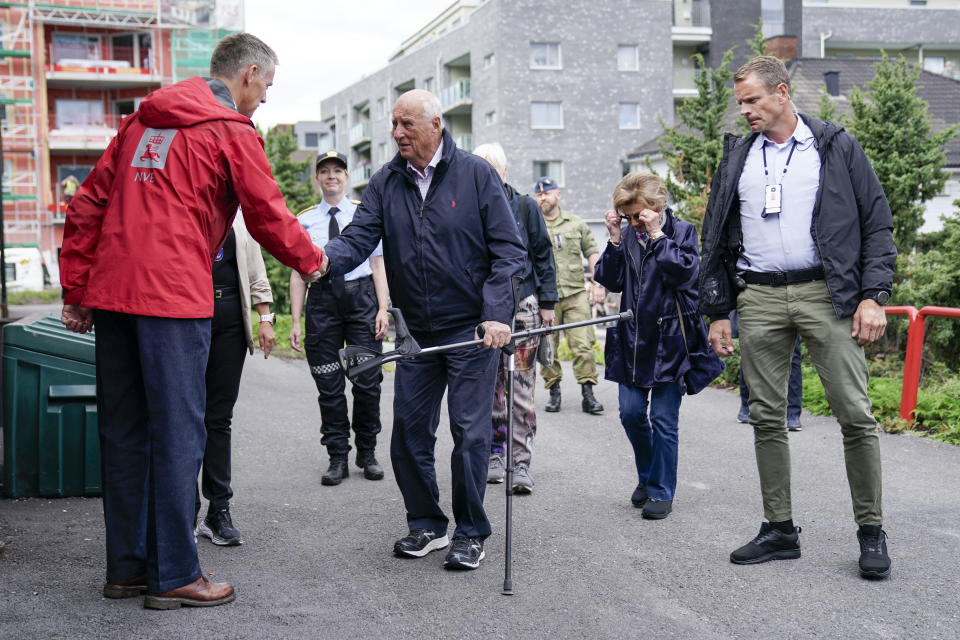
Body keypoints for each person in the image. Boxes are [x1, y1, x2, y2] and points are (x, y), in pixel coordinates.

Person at [59, 33, 325, 609]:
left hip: (113, 296)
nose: (264, 101)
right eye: (267, 88)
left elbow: (86, 205)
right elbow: (268, 214)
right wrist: (314, 259)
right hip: (173, 298)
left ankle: (127, 569)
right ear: (249, 74)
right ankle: (176, 573)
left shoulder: (139, 125)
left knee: (125, 434)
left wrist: (77, 290)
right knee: (181, 436)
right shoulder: (229, 130)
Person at [699, 56, 896, 579]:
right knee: (765, 417)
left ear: (782, 92)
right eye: (740, 103)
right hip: (758, 297)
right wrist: (718, 309)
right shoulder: (738, 156)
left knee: (855, 415)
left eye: (753, 100)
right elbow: (714, 235)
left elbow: (877, 222)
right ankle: (780, 530)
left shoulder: (833, 146)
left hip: (826, 293)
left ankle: (871, 531)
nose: (744, 111)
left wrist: (873, 295)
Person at [321, 90, 525, 571]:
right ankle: (427, 524)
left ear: (436, 124)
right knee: (409, 432)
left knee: (470, 433)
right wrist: (319, 261)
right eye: (394, 125)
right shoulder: (386, 181)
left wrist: (497, 313)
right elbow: (357, 239)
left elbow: (509, 252)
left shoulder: (475, 174)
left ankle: (471, 531)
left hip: (473, 329)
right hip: (415, 331)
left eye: (407, 125)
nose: (397, 134)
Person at [595, 172, 722, 520]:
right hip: (633, 339)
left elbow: (685, 275)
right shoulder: (629, 235)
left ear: (657, 206)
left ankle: (661, 491)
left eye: (639, 215)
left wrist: (656, 235)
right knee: (631, 413)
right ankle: (649, 476)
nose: (635, 221)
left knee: (664, 420)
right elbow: (609, 280)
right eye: (629, 216)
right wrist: (616, 239)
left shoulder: (682, 232)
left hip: (671, 342)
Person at [289, 150, 389, 486]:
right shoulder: (304, 220)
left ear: (346, 178)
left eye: (338, 171)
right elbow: (297, 274)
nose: (332, 176)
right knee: (329, 386)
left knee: (367, 381)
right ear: (317, 178)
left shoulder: (363, 214)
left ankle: (368, 451)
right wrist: (295, 320)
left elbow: (378, 264)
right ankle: (337, 457)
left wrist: (382, 308)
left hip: (361, 301)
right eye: (325, 171)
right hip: (323, 304)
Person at [472, 143, 558, 494]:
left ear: (504, 172)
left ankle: (520, 462)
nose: (487, 177)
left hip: (523, 308)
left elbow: (542, 254)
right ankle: (495, 453)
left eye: (493, 170)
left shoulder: (524, 206)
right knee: (491, 388)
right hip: (484, 311)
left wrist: (548, 303)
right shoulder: (468, 208)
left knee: (521, 389)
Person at [195, 211, 275, 547]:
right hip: (187, 321)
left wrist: (265, 318)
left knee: (219, 418)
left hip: (229, 323)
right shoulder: (185, 202)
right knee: (184, 417)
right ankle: (183, 509)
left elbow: (255, 270)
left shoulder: (238, 215)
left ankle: (218, 509)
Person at [534, 177, 605, 415]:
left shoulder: (576, 223)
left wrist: (598, 282)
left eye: (547, 193)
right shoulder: (534, 225)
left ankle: (588, 393)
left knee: (583, 345)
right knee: (547, 349)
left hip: (575, 294)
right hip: (546, 298)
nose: (543, 197)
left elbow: (592, 253)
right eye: (539, 194)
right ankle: (554, 392)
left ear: (558, 195)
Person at [731, 311, 803, 431]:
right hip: (755, 304)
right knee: (750, 355)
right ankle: (746, 405)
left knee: (792, 358)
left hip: (787, 303)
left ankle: (792, 412)